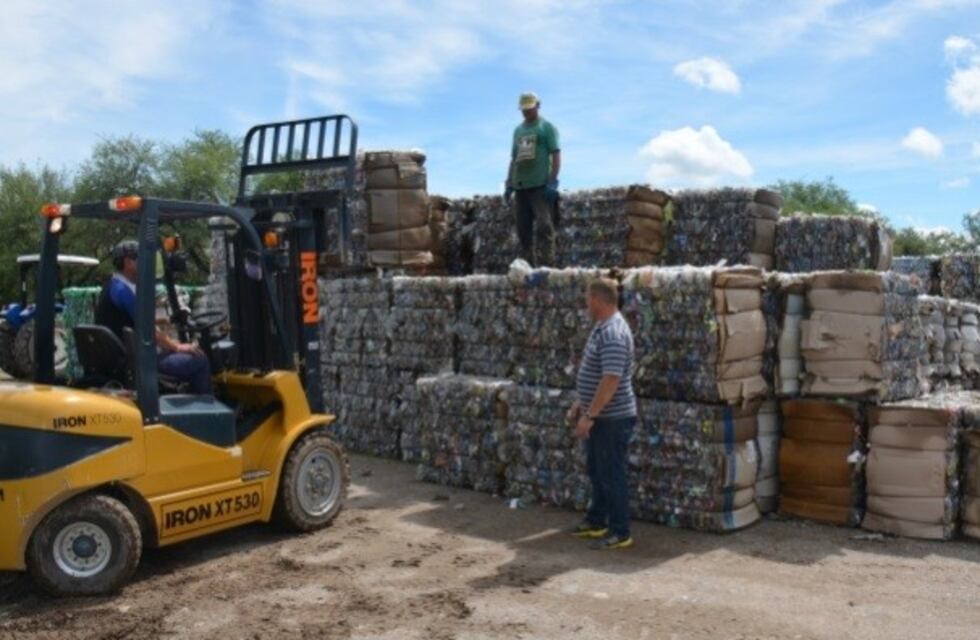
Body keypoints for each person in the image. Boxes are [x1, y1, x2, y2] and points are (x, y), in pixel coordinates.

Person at [567, 277, 637, 550]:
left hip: (612, 419)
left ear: (596, 300)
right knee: (597, 471)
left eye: (587, 298)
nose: (585, 304)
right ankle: (597, 521)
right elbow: (595, 374)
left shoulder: (614, 332)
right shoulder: (601, 328)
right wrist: (580, 402)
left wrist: (590, 415)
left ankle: (620, 531)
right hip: (600, 416)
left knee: (611, 474)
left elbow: (611, 379)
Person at [96, 239, 213, 394]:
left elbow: (129, 318)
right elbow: (148, 329)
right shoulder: (123, 291)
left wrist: (165, 320)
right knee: (199, 359)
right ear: (129, 262)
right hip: (137, 362)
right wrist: (177, 346)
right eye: (141, 259)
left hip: (124, 358)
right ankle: (204, 412)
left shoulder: (112, 286)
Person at [504, 91, 561, 267]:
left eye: (529, 108)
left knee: (544, 226)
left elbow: (556, 154)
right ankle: (528, 266)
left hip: (540, 186)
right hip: (521, 186)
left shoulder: (546, 127)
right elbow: (514, 159)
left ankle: (547, 265)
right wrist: (509, 183)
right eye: (523, 109)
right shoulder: (518, 130)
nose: (526, 112)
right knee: (523, 230)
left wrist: (552, 181)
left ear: (537, 106)